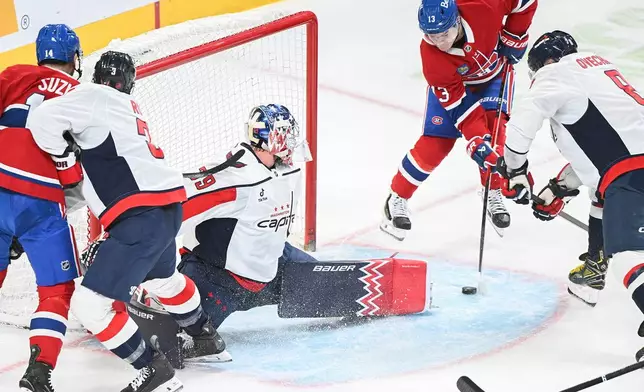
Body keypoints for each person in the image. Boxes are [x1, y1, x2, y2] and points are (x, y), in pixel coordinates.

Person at [26, 50, 224, 392]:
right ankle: (205, 336)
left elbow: (41, 120)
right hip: (168, 210)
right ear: (128, 84)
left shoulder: (91, 95)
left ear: (96, 76)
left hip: (138, 218)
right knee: (163, 279)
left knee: (89, 306)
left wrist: (61, 157)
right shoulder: (130, 109)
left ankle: (155, 370)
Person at [126, 104, 316, 365]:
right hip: (218, 280)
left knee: (326, 281)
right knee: (172, 344)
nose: (292, 142)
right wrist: (126, 240)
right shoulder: (233, 179)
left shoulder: (287, 169)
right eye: (285, 134)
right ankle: (121, 292)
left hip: (272, 268)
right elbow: (172, 209)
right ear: (268, 138)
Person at [496, 30, 644, 359]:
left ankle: (603, 263)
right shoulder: (597, 70)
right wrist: (559, 187)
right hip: (629, 170)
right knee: (602, 196)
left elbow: (522, 125)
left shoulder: (555, 72)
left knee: (627, 254)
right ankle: (593, 271)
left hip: (634, 175)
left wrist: (515, 170)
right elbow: (605, 148)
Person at [381, 0, 537, 240]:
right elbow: (459, 107)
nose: (439, 43)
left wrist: (515, 35)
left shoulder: (483, 6)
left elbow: (525, 2)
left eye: (444, 34)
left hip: (493, 77)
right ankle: (397, 198)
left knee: (496, 133)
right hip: (456, 89)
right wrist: (475, 139)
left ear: (457, 20)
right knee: (436, 144)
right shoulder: (432, 58)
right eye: (431, 36)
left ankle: (492, 192)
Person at [0, 24, 83, 392]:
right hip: (43, 197)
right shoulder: (83, 94)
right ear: (74, 57)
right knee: (56, 289)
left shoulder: (15, 74)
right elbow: (79, 169)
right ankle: (38, 372)